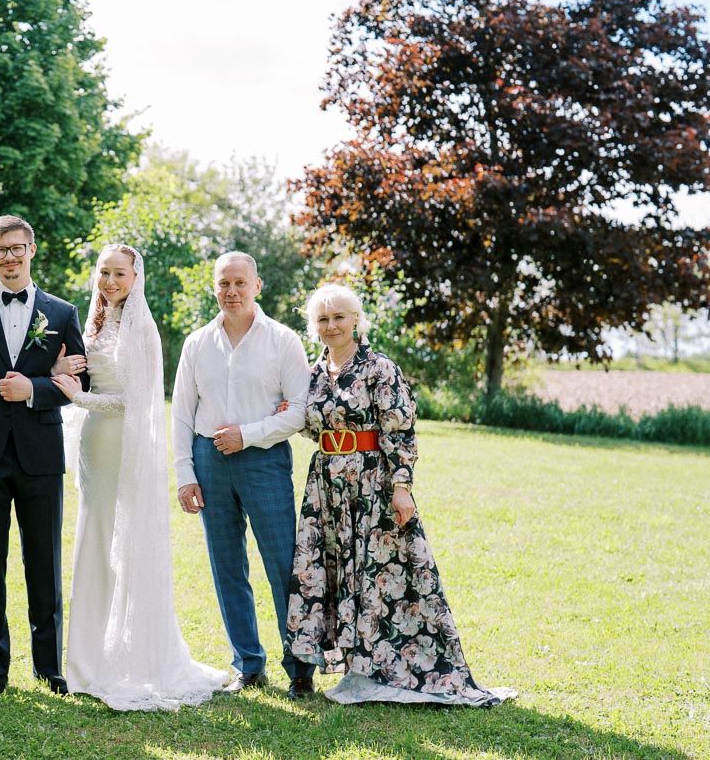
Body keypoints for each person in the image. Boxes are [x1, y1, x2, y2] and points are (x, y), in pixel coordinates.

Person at [284, 284, 515, 706]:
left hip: (373, 483)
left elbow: (401, 429)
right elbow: (309, 424)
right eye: (322, 319)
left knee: (382, 573)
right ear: (313, 326)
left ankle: (393, 667)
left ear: (356, 320)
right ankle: (354, 666)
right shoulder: (313, 372)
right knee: (337, 571)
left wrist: (402, 487)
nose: (331, 326)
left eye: (339, 317)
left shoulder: (379, 367)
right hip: (326, 487)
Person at [51, 244, 224, 710]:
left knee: (119, 542)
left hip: (121, 441)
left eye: (119, 274)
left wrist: (81, 399)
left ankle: (124, 659)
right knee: (94, 537)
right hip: (93, 445)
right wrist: (63, 375)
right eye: (104, 272)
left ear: (135, 277)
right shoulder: (95, 320)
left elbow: (138, 400)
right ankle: (86, 660)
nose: (109, 282)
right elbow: (77, 376)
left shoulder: (142, 327)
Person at [0, 214, 86, 697]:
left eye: (17, 247)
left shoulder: (62, 312)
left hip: (40, 455)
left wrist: (35, 388)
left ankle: (49, 667)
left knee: (43, 563)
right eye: (0, 249)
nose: (9, 256)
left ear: (31, 249)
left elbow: (78, 384)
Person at [170, 251, 316, 699]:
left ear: (257, 285)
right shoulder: (197, 343)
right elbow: (180, 411)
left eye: (239, 283)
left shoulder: (283, 341)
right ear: (214, 287)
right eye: (223, 284)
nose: (231, 291)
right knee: (226, 566)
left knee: (281, 564)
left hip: (264, 460)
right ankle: (248, 664)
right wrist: (184, 473)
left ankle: (300, 668)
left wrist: (247, 435)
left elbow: (300, 410)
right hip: (208, 459)